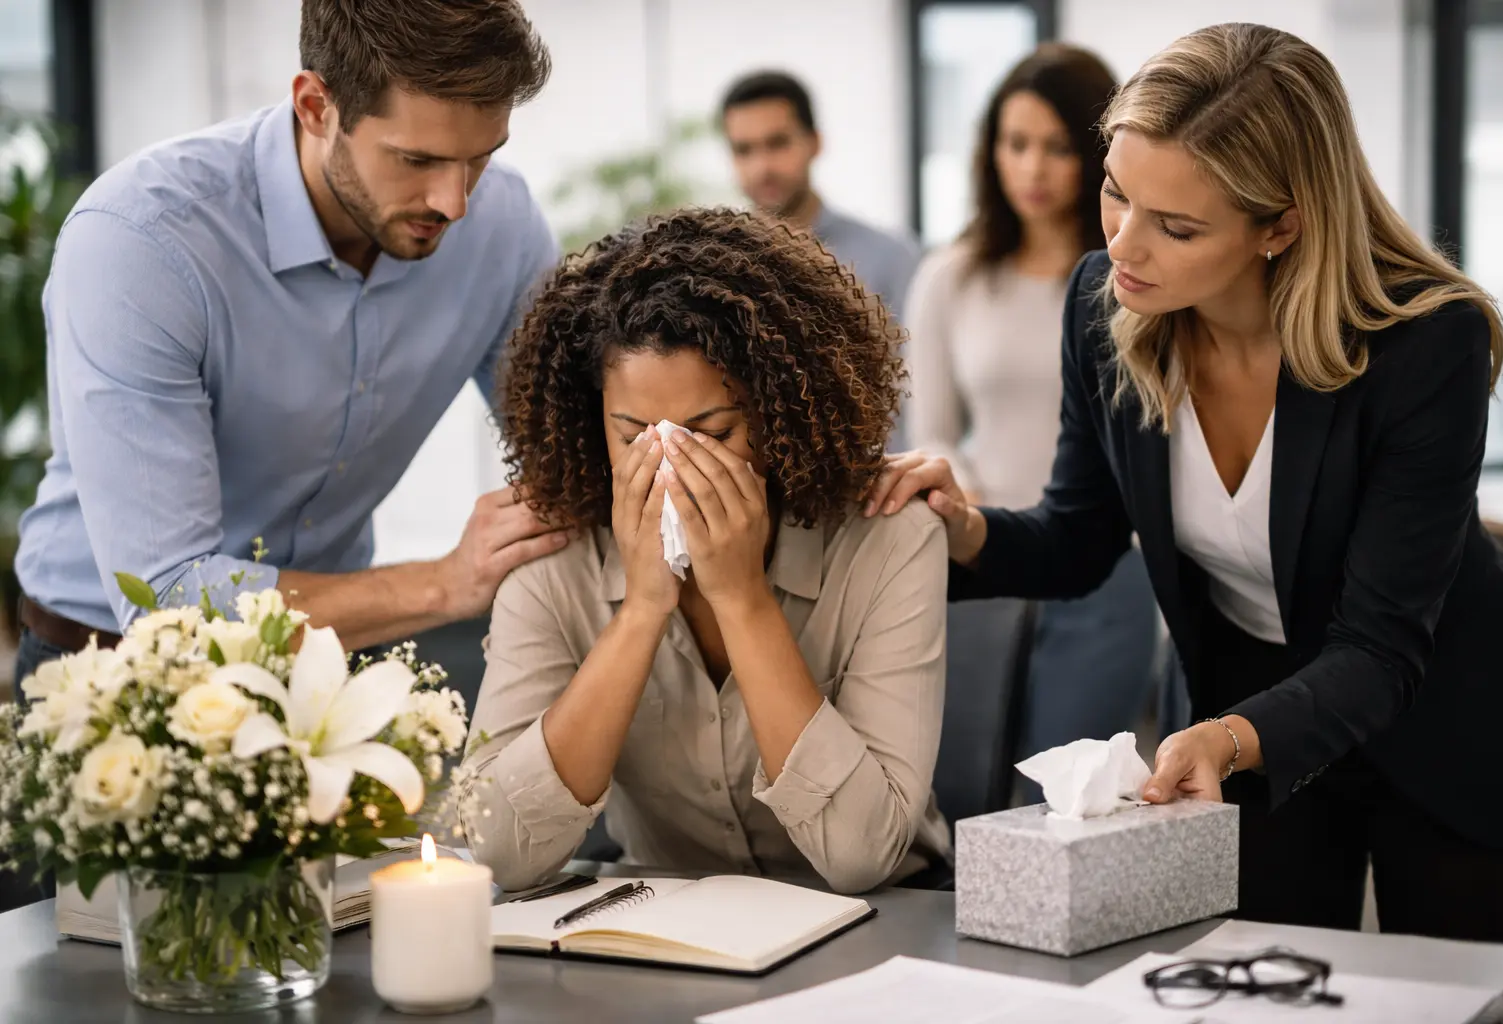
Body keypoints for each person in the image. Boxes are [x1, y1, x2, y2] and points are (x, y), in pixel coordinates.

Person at [868, 22, 1503, 942]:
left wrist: (1222, 738)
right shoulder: (1106, 305)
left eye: (1175, 226)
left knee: (1447, 997)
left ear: (1283, 223)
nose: (1123, 247)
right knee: (1261, 991)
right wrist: (966, 528)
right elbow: (1078, 536)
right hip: (1249, 727)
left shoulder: (1425, 341)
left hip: (1443, 718)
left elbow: (1381, 647)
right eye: (1115, 194)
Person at [12, 0, 571, 691]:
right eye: (416, 159)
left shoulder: (502, 225)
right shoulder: (141, 240)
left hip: (337, 653)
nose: (454, 203)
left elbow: (572, 445)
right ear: (314, 105)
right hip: (108, 665)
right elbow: (167, 598)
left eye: (480, 159)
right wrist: (446, 583)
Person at [463, 208, 952, 895]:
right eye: (634, 435)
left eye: (710, 433)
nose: (670, 468)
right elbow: (495, 851)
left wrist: (743, 601)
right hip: (662, 927)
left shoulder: (892, 539)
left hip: (887, 922)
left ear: (778, 415)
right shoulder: (551, 561)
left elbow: (861, 856)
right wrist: (639, 612)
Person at [904, 45, 1159, 790]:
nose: (1034, 168)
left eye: (1056, 147)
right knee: (962, 787)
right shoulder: (951, 277)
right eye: (1015, 144)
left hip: (1108, 562)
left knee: (1071, 794)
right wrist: (967, 498)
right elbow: (935, 429)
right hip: (984, 552)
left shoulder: (1130, 280)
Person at [719, 70, 920, 329]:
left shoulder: (892, 259)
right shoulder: (718, 267)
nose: (762, 167)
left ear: (814, 143)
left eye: (777, 143)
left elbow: (915, 365)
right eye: (744, 150)